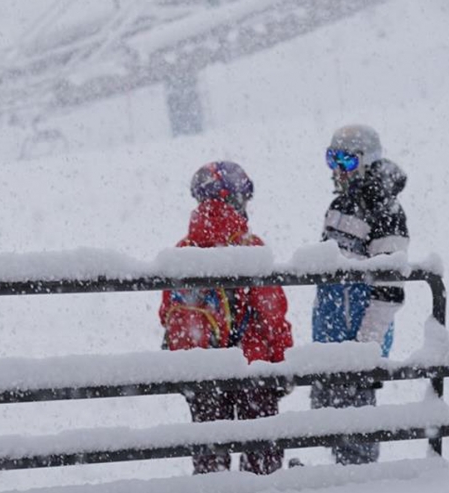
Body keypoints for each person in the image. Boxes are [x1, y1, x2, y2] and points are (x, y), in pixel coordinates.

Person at [158, 161, 293, 475]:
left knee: (209, 453)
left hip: (201, 368)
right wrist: (282, 363)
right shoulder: (250, 248)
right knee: (261, 452)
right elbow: (273, 316)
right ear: (239, 200)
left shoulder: (183, 250)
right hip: (253, 367)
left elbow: (167, 312)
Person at [311, 124, 409, 465]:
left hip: (357, 343)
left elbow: (389, 290)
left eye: (347, 161)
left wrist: (366, 346)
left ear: (367, 161)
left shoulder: (385, 211)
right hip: (331, 339)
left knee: (356, 433)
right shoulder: (340, 204)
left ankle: (358, 480)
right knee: (326, 426)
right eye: (331, 159)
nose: (338, 170)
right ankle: (338, 479)